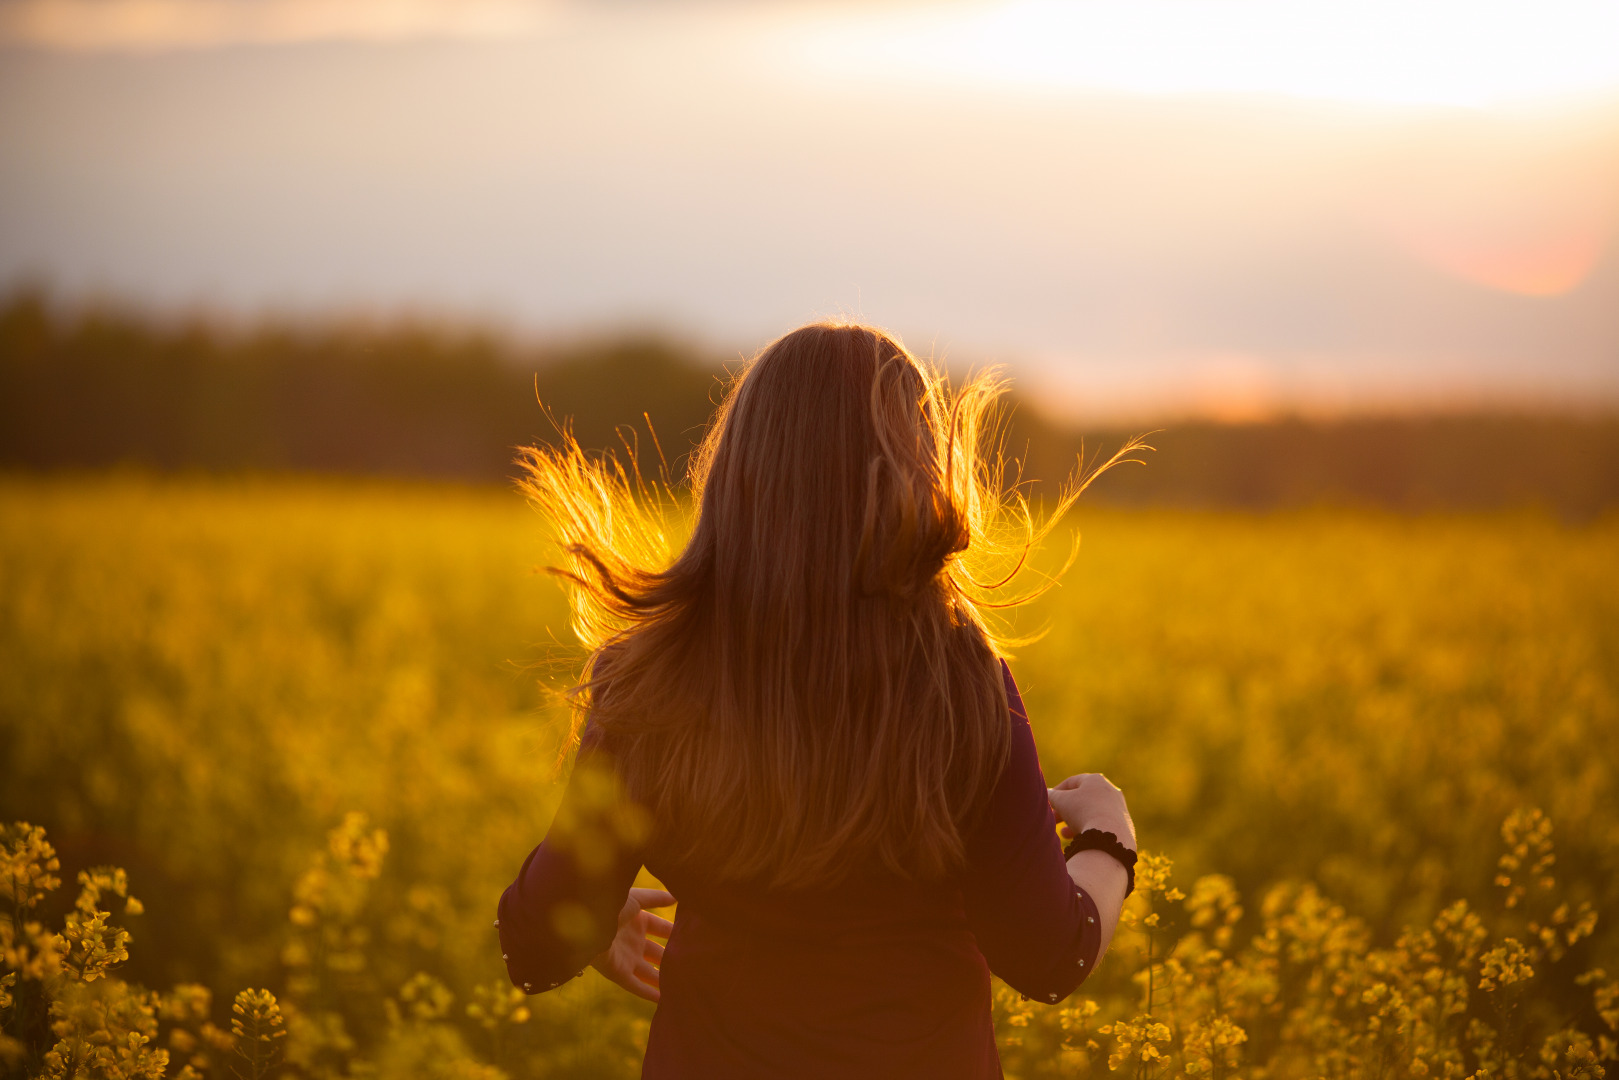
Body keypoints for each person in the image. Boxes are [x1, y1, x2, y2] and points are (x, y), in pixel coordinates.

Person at [497, 322, 1139, 1079]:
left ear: (737, 475)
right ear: (916, 470)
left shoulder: (652, 679)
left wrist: (591, 923)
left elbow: (536, 950)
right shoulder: (960, 682)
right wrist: (1107, 838)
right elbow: (1047, 957)